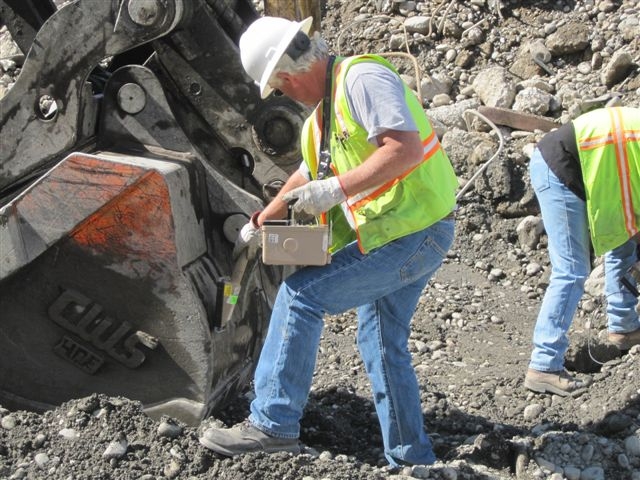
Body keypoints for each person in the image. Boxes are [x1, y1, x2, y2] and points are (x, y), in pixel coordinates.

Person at [198, 15, 458, 467]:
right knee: (380, 340)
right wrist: (265, 218)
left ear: (290, 73)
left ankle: (272, 424)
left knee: (301, 297)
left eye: (278, 87)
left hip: (415, 229)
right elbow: (304, 176)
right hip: (395, 232)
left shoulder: (362, 78)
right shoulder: (320, 119)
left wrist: (337, 190)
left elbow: (404, 149)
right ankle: (412, 458)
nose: (283, 96)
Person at [524, 106, 640, 397]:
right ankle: (544, 365)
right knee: (571, 269)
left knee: (623, 240)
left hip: (584, 166)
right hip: (559, 167)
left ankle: (624, 327)